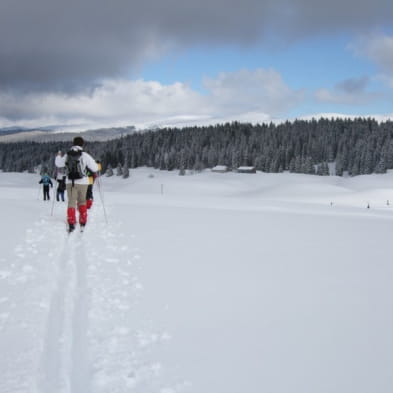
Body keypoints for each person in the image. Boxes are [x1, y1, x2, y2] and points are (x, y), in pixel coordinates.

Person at [56, 136, 99, 232]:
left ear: (73, 143)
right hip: (83, 182)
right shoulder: (85, 155)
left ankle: (71, 221)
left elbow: (58, 164)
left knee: (71, 201)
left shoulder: (67, 155)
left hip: (70, 182)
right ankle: (83, 220)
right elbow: (95, 168)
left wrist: (58, 155)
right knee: (82, 201)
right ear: (82, 144)